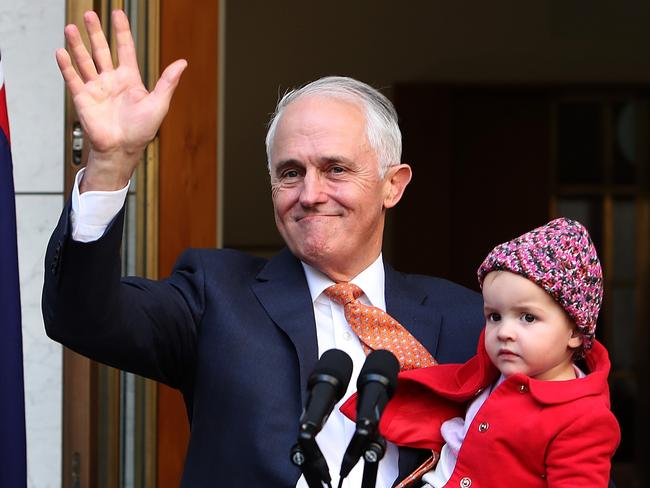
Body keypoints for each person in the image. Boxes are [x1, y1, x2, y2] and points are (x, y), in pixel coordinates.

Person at [42, 10, 484, 487]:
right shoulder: (216, 296)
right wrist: (111, 162)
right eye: (291, 172)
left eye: (335, 169)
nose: (310, 193)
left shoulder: (467, 319)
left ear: (392, 186)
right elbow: (82, 317)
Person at [342, 218, 620, 487]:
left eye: (528, 318)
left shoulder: (584, 418)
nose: (505, 332)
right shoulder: (491, 375)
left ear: (575, 332)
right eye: (495, 317)